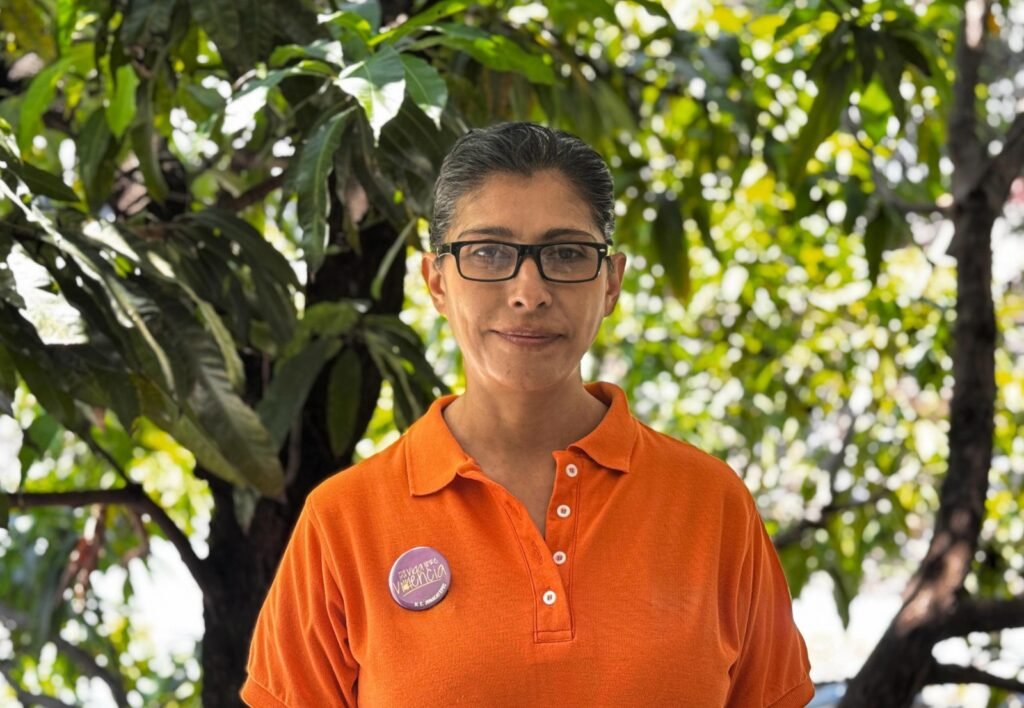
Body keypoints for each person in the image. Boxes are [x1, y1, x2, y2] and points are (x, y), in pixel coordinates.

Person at [241, 122, 813, 707]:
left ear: (611, 282)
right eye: (488, 252)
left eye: (566, 253)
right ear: (436, 282)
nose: (528, 292)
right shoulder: (343, 522)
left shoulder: (712, 505)